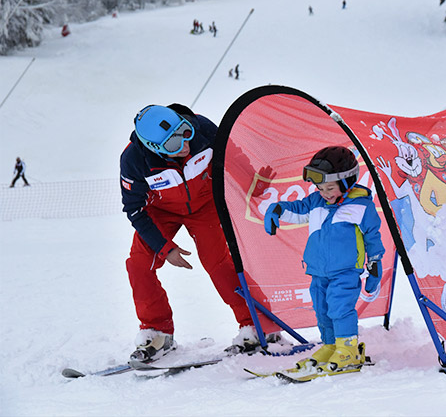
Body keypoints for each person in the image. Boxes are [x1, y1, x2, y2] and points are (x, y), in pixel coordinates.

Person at [120, 104, 276, 361]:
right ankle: (157, 333)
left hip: (205, 205)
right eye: (172, 145)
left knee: (218, 263)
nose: (184, 145)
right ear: (154, 148)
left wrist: (253, 184)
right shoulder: (134, 160)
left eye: (184, 131)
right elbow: (134, 209)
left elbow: (231, 155)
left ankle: (257, 326)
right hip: (160, 211)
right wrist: (164, 247)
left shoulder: (202, 128)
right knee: (139, 265)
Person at [263, 146, 385, 372]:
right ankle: (331, 346)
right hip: (319, 270)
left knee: (340, 308)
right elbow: (297, 209)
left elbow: (373, 238)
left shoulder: (361, 206)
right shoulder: (317, 201)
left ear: (347, 181)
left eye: (330, 187)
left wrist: (375, 264)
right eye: (320, 187)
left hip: (345, 271)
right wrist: (277, 209)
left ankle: (347, 349)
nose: (324, 192)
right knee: (322, 309)